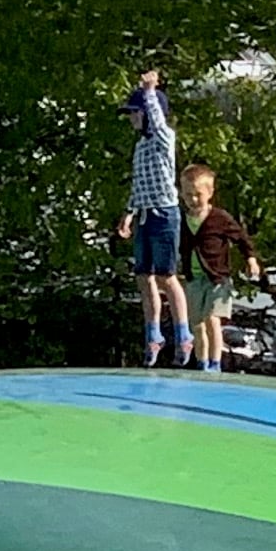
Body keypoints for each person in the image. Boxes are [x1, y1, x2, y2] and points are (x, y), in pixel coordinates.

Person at [114, 70, 190, 369]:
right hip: (145, 214)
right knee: (143, 277)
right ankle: (153, 334)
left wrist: (149, 90)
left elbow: (158, 121)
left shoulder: (162, 138)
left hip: (164, 214)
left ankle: (183, 334)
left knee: (166, 276)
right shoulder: (140, 147)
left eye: (135, 113)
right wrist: (129, 214)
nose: (132, 119)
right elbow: (138, 185)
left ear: (146, 112)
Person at [184, 165, 255, 374]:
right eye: (188, 195)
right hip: (194, 278)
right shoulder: (181, 219)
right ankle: (201, 362)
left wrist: (250, 259)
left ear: (210, 193)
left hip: (218, 279)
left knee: (212, 320)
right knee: (197, 324)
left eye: (198, 195)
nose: (193, 199)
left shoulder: (219, 218)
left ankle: (215, 363)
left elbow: (241, 238)